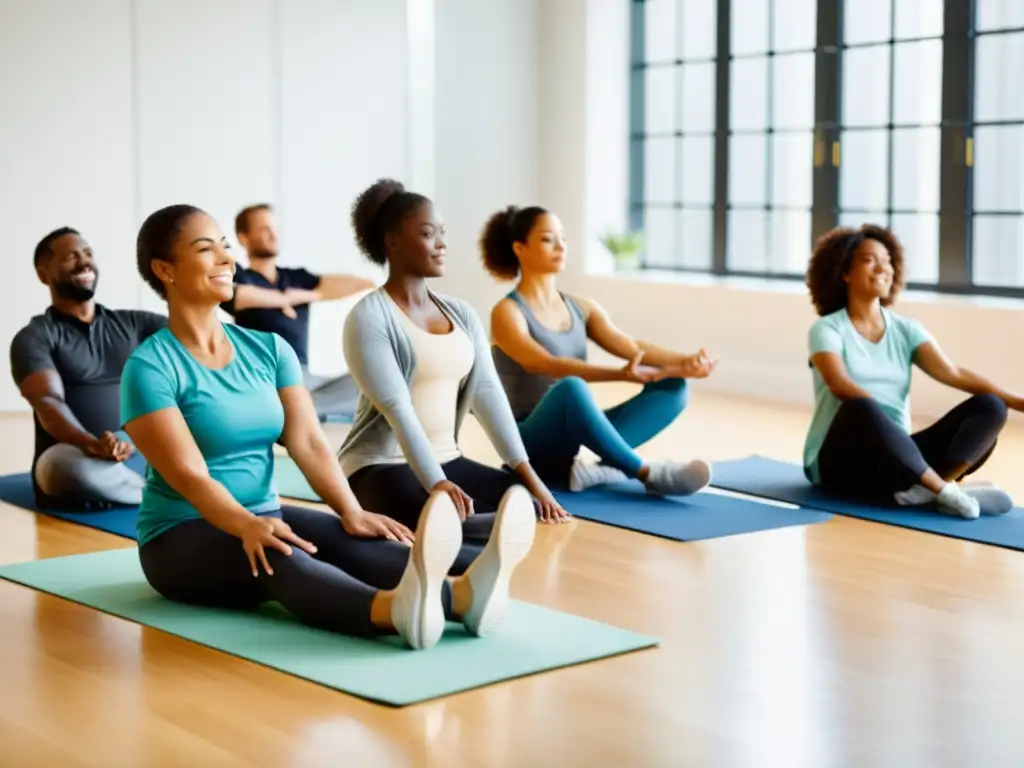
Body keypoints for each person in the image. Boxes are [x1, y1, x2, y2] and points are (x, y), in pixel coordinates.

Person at [121, 204, 537, 650]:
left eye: (226, 247)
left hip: (263, 512)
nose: (227, 260)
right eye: (207, 250)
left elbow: (309, 442)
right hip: (180, 537)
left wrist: (350, 510)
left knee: (349, 539)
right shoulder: (150, 368)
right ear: (165, 269)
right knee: (281, 558)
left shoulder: (267, 349)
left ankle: (468, 582)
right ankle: (398, 611)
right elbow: (190, 476)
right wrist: (245, 525)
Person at [338, 179, 571, 534]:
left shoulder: (461, 313)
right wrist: (436, 484)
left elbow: (489, 395)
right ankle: (467, 531)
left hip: (448, 459)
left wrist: (533, 481)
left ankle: (476, 527)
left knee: (522, 501)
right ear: (392, 240)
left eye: (442, 233)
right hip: (379, 466)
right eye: (428, 234)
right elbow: (398, 409)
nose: (442, 244)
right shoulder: (368, 318)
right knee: (448, 519)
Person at [480, 205, 716, 496]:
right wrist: (619, 375)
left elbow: (631, 346)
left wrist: (685, 362)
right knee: (571, 389)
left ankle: (596, 469)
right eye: (547, 239)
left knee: (674, 387)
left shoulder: (581, 307)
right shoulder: (507, 312)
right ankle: (647, 472)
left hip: (575, 431)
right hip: (528, 441)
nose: (561, 245)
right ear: (520, 248)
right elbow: (542, 363)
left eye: (562, 237)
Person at [803, 223, 1021, 519]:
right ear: (845, 273)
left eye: (887, 260)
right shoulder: (827, 328)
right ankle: (941, 490)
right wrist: (886, 432)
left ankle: (925, 489)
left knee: (990, 407)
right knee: (860, 406)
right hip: (841, 463)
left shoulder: (906, 330)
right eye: (869, 260)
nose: (883, 268)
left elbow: (953, 374)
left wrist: (1019, 402)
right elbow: (839, 384)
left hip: (897, 461)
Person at [9, 227, 166, 510]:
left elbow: (197, 336)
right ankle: (163, 493)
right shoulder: (35, 337)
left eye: (88, 254)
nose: (84, 263)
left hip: (136, 448)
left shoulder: (133, 323)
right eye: (71, 257)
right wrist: (92, 444)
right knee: (60, 467)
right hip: (75, 455)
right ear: (44, 274)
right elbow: (48, 402)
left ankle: (143, 486)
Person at [222, 203, 376, 419]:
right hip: (266, 377)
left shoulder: (296, 278)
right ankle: (300, 409)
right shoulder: (240, 276)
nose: (273, 234)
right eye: (264, 229)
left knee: (375, 380)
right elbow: (236, 296)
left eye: (274, 228)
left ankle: (303, 410)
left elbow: (361, 283)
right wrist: (286, 298)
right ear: (244, 238)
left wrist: (302, 295)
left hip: (304, 378)